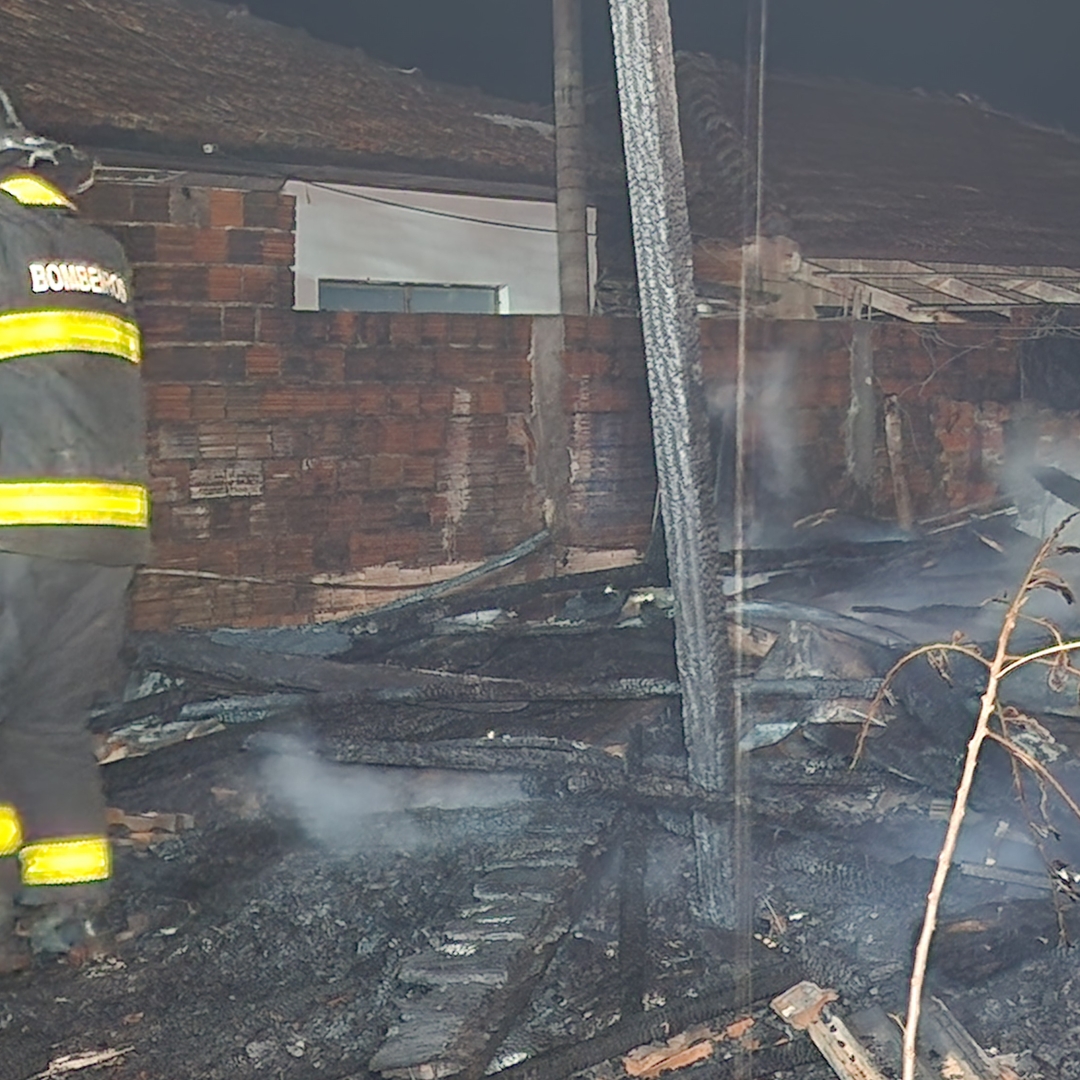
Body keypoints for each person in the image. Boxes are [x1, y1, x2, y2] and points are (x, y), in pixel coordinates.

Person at [0, 96, 150, 971]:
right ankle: (72, 923)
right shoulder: (100, 253)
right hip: (102, 541)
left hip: (9, 531)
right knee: (46, 728)